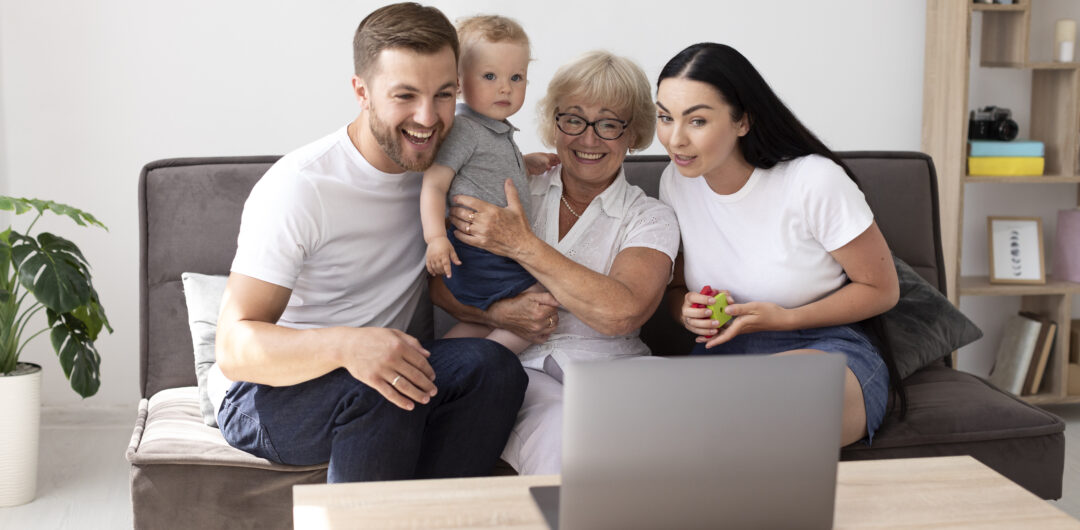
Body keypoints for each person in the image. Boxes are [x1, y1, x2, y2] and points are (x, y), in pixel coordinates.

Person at [212, 3, 528, 483]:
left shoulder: (443, 169)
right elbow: (236, 347)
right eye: (405, 95)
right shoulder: (301, 187)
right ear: (361, 91)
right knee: (383, 385)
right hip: (269, 394)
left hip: (387, 366)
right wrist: (347, 346)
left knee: (495, 367)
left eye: (444, 94)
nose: (427, 118)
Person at [432, 51, 681, 474]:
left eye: (608, 123)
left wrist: (522, 244)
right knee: (561, 436)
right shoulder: (510, 184)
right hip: (521, 368)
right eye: (573, 119)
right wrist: (500, 312)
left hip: (616, 368)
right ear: (555, 123)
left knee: (684, 420)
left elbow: (623, 311)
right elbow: (442, 282)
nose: (588, 139)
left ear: (633, 133)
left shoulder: (650, 216)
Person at [655, 42, 901, 447]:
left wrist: (785, 319)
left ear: (742, 122)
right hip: (725, 354)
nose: (675, 139)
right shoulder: (676, 182)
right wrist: (685, 312)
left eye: (696, 121)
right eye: (665, 117)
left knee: (758, 407)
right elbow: (676, 289)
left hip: (823, 347)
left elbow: (882, 289)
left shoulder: (813, 181)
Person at [420, 15, 555, 354]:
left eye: (516, 77)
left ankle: (442, 361)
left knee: (487, 319)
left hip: (495, 250)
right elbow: (435, 185)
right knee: (541, 306)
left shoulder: (494, 129)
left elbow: (483, 174)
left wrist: (524, 164)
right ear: (459, 82)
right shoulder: (465, 129)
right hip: (477, 252)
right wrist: (435, 239)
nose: (505, 87)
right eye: (490, 76)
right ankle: (488, 361)